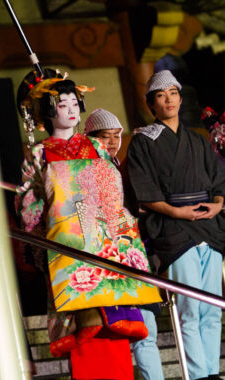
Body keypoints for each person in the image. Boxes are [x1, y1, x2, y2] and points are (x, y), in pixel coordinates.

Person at [15, 70, 160, 379]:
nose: (70, 109)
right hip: (67, 249)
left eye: (73, 103)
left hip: (103, 244)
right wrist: (50, 227)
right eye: (62, 104)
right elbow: (28, 205)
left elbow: (114, 192)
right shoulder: (39, 154)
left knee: (115, 338)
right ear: (48, 111)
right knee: (84, 338)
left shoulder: (95, 148)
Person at [126, 70, 225, 380]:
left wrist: (219, 204)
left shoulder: (197, 140)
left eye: (173, 93)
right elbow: (144, 190)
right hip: (175, 229)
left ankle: (211, 372)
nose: (168, 99)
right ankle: (197, 375)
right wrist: (176, 212)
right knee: (189, 308)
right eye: (160, 95)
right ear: (151, 105)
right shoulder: (142, 141)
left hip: (209, 226)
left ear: (181, 99)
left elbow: (218, 181)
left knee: (212, 308)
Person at [85, 109, 165, 380]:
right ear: (90, 138)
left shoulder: (123, 167)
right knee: (116, 335)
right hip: (106, 258)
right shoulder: (85, 170)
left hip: (134, 254)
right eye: (104, 136)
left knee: (147, 330)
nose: (111, 142)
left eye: (117, 136)